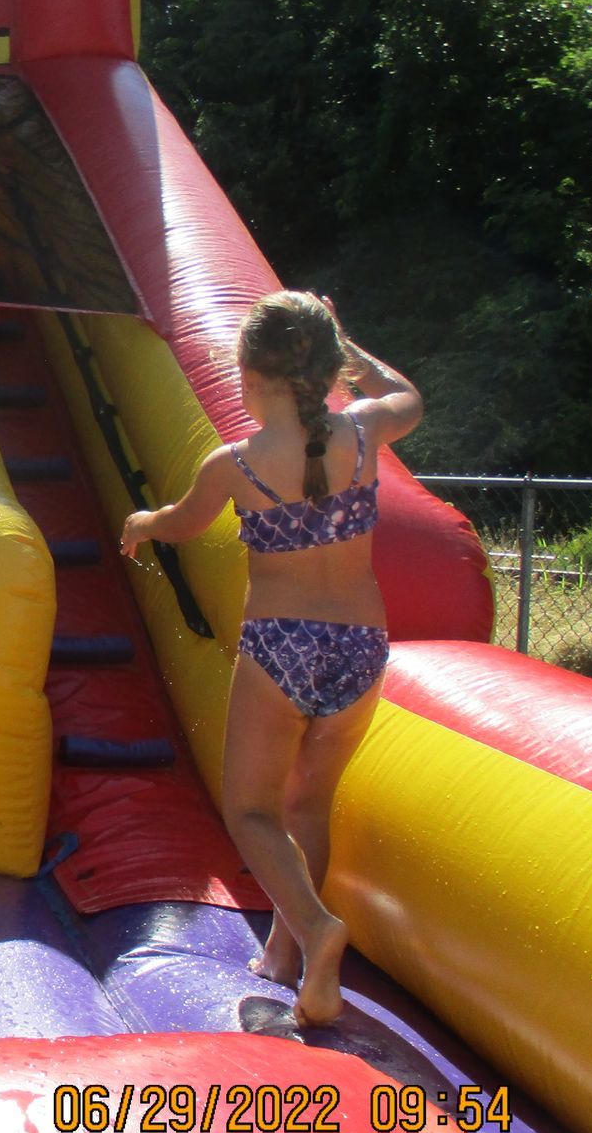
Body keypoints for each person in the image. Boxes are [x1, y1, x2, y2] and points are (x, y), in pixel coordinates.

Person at [118, 291, 422, 1027]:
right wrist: (346, 341)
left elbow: (182, 524)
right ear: (324, 371)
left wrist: (140, 524)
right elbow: (407, 396)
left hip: (281, 643)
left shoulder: (238, 465)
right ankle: (287, 960)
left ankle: (316, 932)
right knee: (308, 802)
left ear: (250, 377)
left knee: (251, 810)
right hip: (361, 645)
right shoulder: (362, 432)